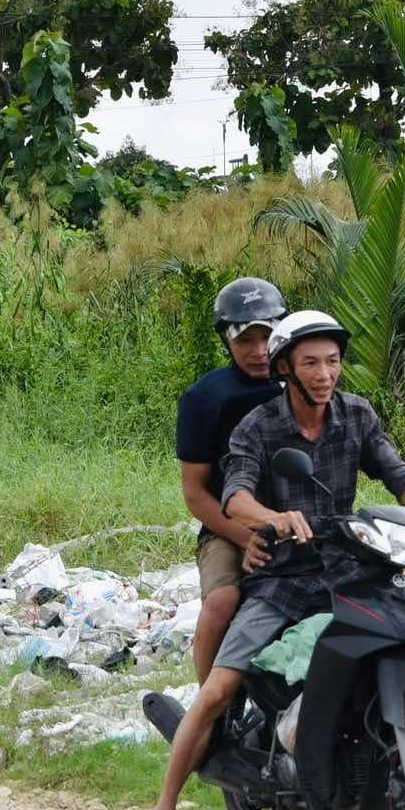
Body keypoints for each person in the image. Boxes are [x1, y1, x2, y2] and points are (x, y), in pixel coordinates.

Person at [134, 311, 405, 810]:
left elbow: (395, 472)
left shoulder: (356, 414)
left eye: (332, 361)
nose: (324, 373)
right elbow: (235, 495)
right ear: (287, 367)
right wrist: (274, 517)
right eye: (310, 362)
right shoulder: (258, 428)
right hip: (283, 576)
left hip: (346, 567)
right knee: (218, 690)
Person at [175, 277, 288, 683]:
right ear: (226, 340)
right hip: (228, 529)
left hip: (302, 521)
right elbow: (195, 493)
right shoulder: (204, 399)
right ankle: (208, 706)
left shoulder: (304, 384)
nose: (260, 352)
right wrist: (243, 538)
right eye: (246, 341)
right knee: (222, 600)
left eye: (268, 337)